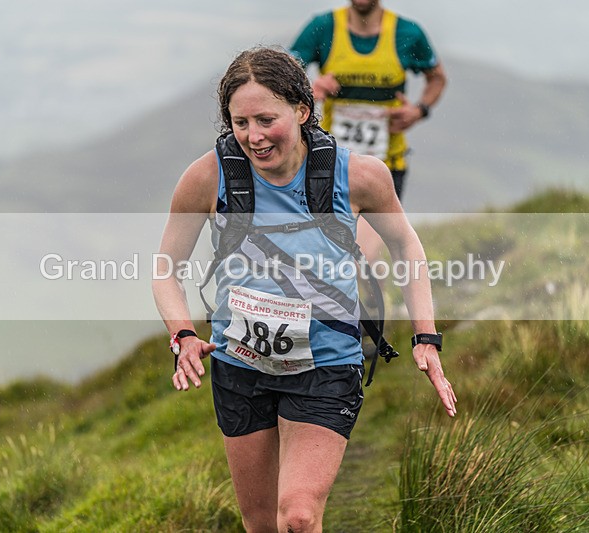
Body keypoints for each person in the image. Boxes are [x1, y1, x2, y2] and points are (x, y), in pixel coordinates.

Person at [152, 47, 455, 533]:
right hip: (240, 366)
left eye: (266, 120)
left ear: (301, 109)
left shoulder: (359, 176)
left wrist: (426, 336)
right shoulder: (207, 177)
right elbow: (166, 268)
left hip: (327, 364)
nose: (254, 136)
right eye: (240, 123)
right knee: (260, 524)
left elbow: (406, 246)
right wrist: (183, 334)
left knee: (297, 516)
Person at [290, 0, 447, 286]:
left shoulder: (407, 33)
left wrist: (418, 110)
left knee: (362, 257)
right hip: (328, 165)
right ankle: (353, 309)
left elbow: (437, 77)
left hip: (384, 166)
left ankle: (372, 309)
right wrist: (310, 90)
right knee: (325, 257)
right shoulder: (322, 28)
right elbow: (281, 77)